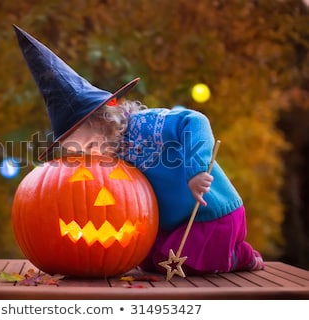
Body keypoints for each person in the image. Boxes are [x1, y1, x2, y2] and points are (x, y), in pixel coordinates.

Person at [13, 25, 265, 275]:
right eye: (80, 154)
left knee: (191, 259)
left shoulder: (145, 124)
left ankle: (240, 255)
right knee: (150, 260)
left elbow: (195, 121)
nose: (90, 158)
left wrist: (196, 172)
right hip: (172, 225)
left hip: (209, 212)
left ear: (103, 122)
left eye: (90, 147)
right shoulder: (112, 157)